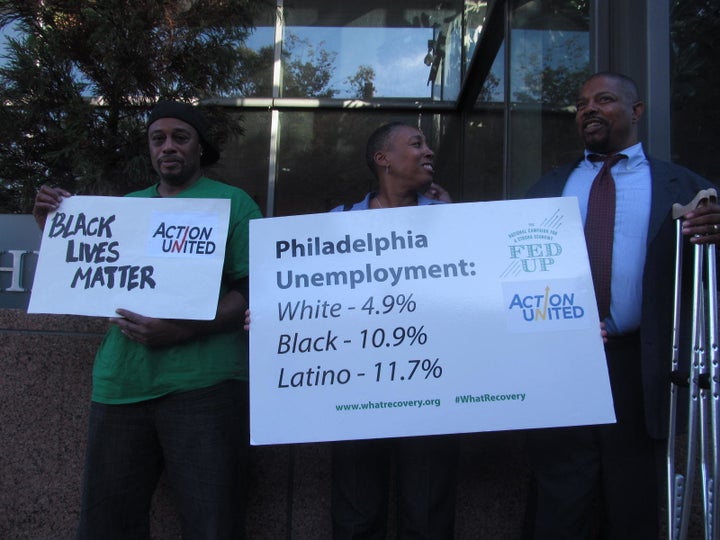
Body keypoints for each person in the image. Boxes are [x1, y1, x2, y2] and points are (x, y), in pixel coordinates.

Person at [32, 101, 262, 539]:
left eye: (181, 137)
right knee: (106, 525)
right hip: (121, 386)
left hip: (205, 386)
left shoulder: (234, 203)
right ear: (150, 150)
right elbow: (94, 281)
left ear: (200, 148)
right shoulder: (128, 207)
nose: (168, 147)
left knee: (214, 523)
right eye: (158, 139)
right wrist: (58, 231)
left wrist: (185, 328)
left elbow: (252, 291)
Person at [522, 72, 720, 539]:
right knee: (559, 495)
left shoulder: (686, 188)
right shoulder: (549, 187)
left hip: (641, 361)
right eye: (580, 103)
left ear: (636, 111)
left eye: (604, 99)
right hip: (561, 360)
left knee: (632, 499)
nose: (588, 108)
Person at [329, 122, 457, 539]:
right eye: (417, 143)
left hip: (430, 390)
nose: (429, 151)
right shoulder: (338, 222)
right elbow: (309, 299)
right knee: (356, 515)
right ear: (383, 159)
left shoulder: (451, 220)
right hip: (357, 389)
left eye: (427, 143)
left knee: (426, 515)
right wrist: (273, 319)